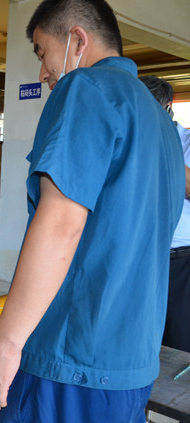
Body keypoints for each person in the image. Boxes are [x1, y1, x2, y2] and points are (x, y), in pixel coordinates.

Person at [0, 1, 184, 422]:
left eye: (42, 52)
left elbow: (62, 222)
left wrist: (6, 343)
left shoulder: (86, 87)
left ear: (77, 40)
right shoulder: (159, 121)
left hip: (69, 358)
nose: (42, 72)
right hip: (131, 361)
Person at [140, 75, 190, 353]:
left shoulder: (186, 143)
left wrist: (165, 149)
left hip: (180, 261)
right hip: (142, 259)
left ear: (166, 109)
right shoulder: (134, 142)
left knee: (179, 342)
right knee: (143, 339)